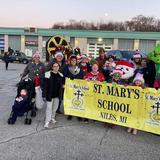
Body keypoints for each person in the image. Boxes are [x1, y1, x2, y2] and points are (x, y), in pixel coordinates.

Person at [63, 54, 85, 120]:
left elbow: (82, 75)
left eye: (74, 60)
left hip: (77, 87)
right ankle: (70, 113)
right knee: (70, 100)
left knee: (78, 99)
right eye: (72, 60)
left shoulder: (79, 68)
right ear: (70, 61)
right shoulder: (67, 67)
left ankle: (78, 114)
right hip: (70, 86)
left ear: (76, 61)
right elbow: (64, 75)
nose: (73, 61)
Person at [44, 62, 64, 128]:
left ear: (59, 67)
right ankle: (47, 121)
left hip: (57, 95)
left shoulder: (60, 75)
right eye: (54, 66)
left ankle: (52, 118)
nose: (56, 67)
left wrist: (63, 86)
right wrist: (44, 94)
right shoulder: (48, 74)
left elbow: (62, 85)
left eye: (57, 66)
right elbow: (45, 85)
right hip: (49, 94)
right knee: (49, 108)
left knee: (55, 108)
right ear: (52, 67)